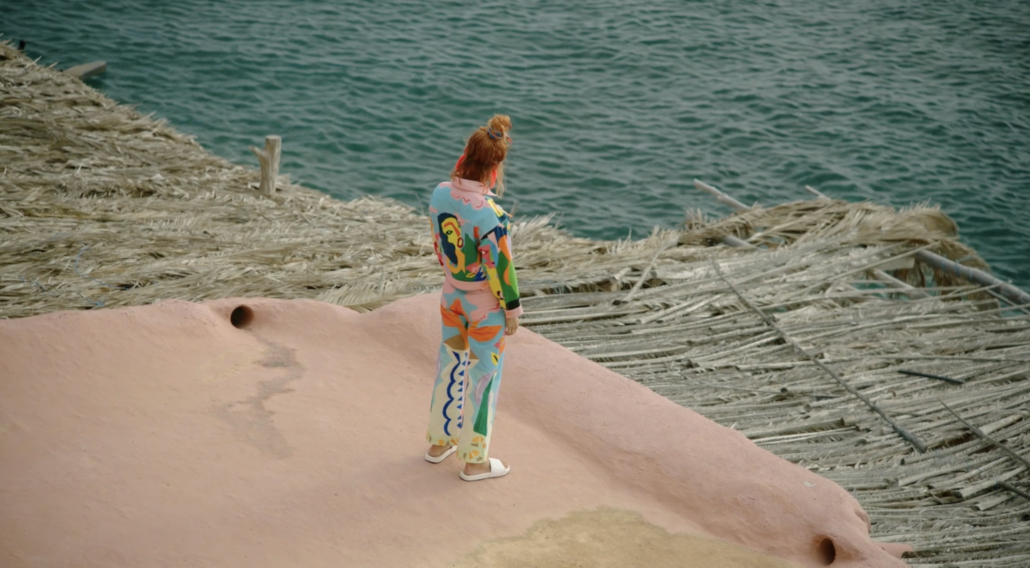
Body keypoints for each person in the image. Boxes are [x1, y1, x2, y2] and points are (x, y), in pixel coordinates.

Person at [424, 115, 521, 482]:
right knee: (483, 379)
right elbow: (501, 267)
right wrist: (511, 310)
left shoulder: (439, 194)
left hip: (451, 296)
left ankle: (439, 443)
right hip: (485, 310)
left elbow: (440, 245)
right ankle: (474, 461)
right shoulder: (492, 215)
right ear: (495, 167)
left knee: (448, 366)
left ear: (466, 154)